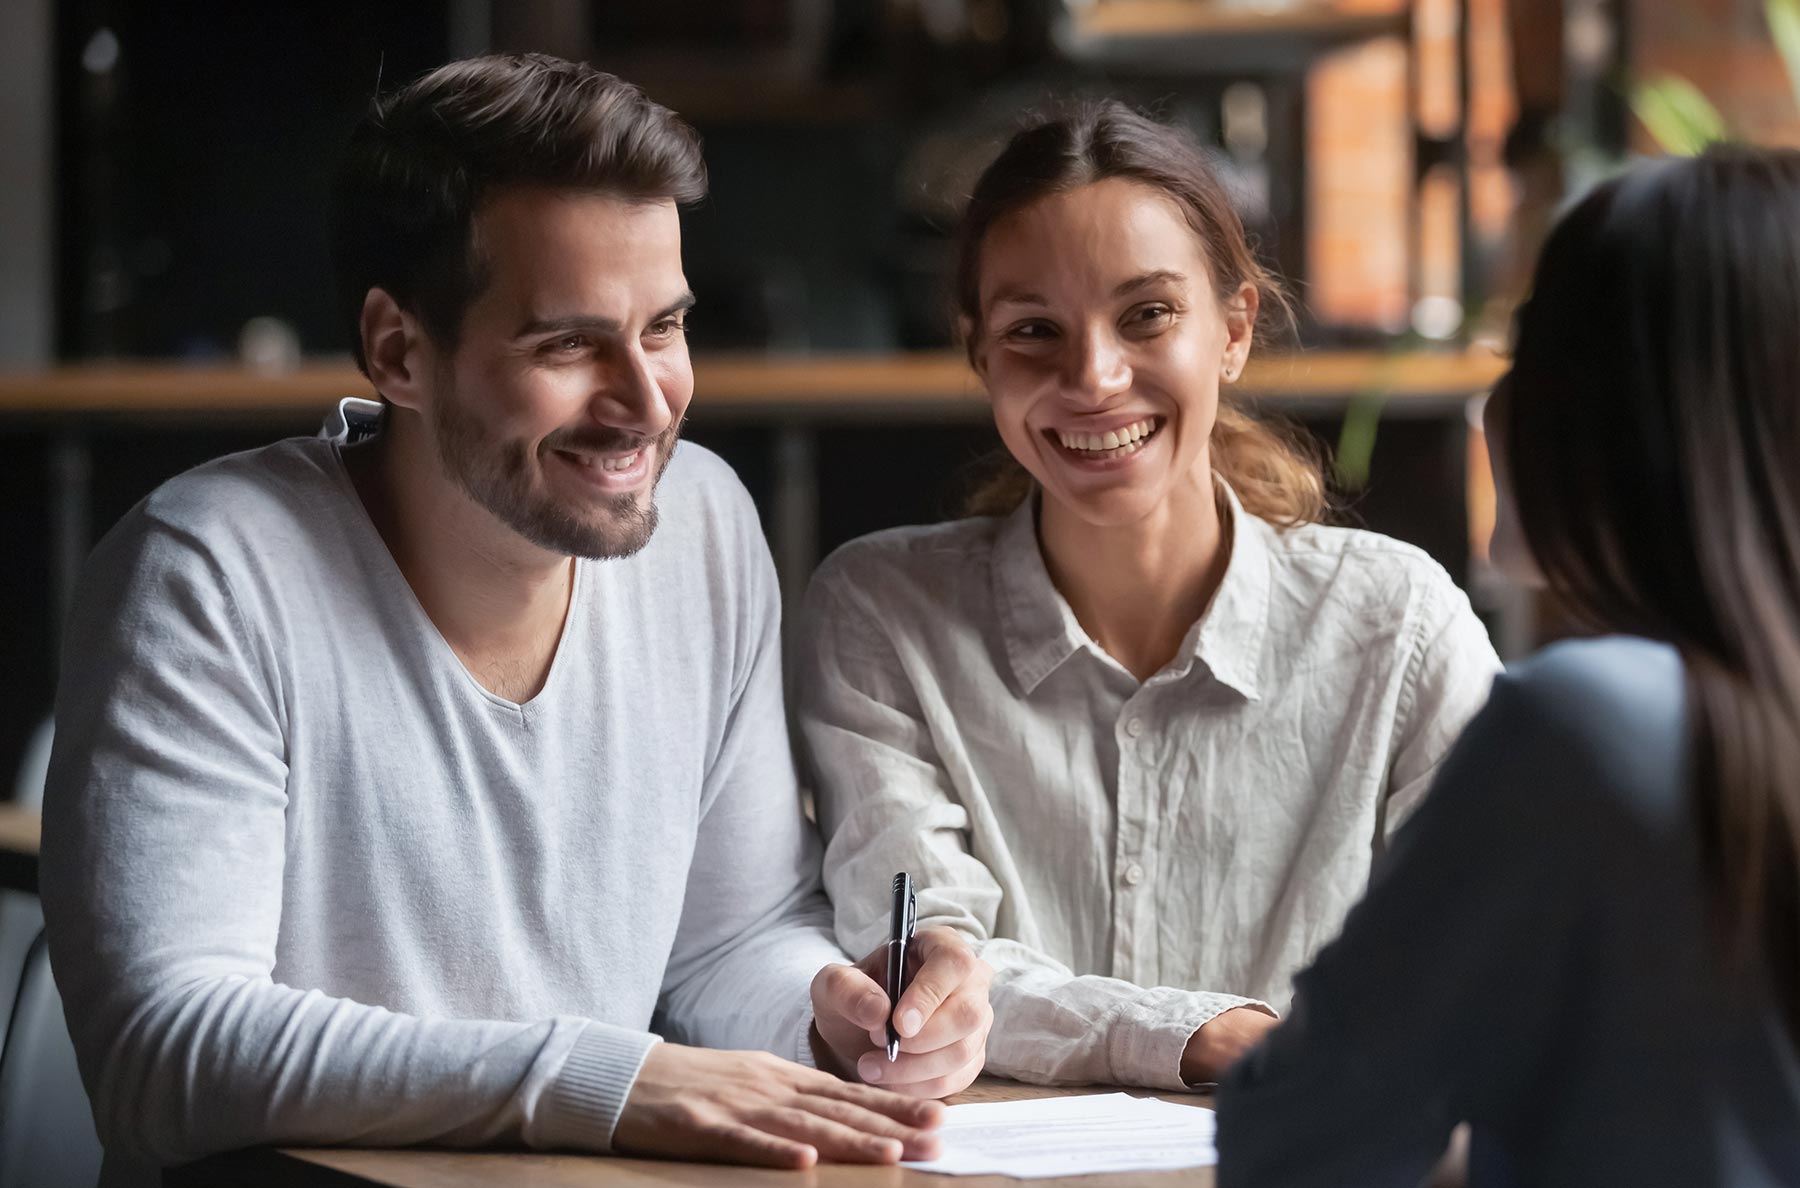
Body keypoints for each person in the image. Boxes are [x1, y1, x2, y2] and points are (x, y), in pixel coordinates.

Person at [39, 54, 992, 1187]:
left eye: (666, 329)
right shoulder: (207, 573)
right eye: (569, 344)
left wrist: (829, 1016)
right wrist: (603, 1079)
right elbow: (166, 1052)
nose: (647, 404)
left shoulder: (704, 527)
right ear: (398, 350)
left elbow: (729, 940)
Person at [793, 99, 1500, 1091]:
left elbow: (1487, 960)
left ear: (1235, 330)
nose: (1093, 376)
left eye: (1147, 314)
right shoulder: (881, 613)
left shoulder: (1399, 627)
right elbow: (931, 977)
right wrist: (1203, 1037)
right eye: (1033, 329)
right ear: (980, 356)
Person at [1216, 148, 1800, 1186]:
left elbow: (1303, 1139)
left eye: (1529, 352)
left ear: (1624, 413)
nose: (1495, 403)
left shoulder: (1586, 727)